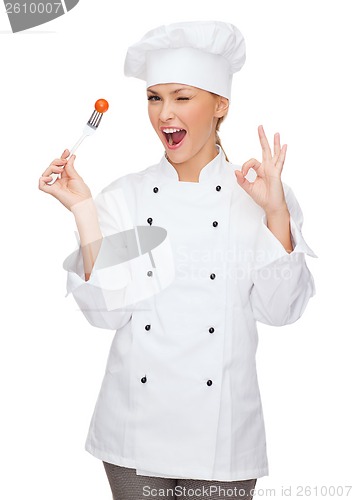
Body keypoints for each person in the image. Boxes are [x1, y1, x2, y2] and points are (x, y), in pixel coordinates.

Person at [38, 21, 317, 500]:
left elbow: (281, 311)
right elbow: (106, 313)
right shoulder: (123, 196)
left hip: (222, 436)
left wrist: (275, 213)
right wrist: (84, 209)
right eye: (154, 98)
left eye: (182, 97)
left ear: (220, 105)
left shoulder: (261, 195)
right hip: (134, 431)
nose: (164, 113)